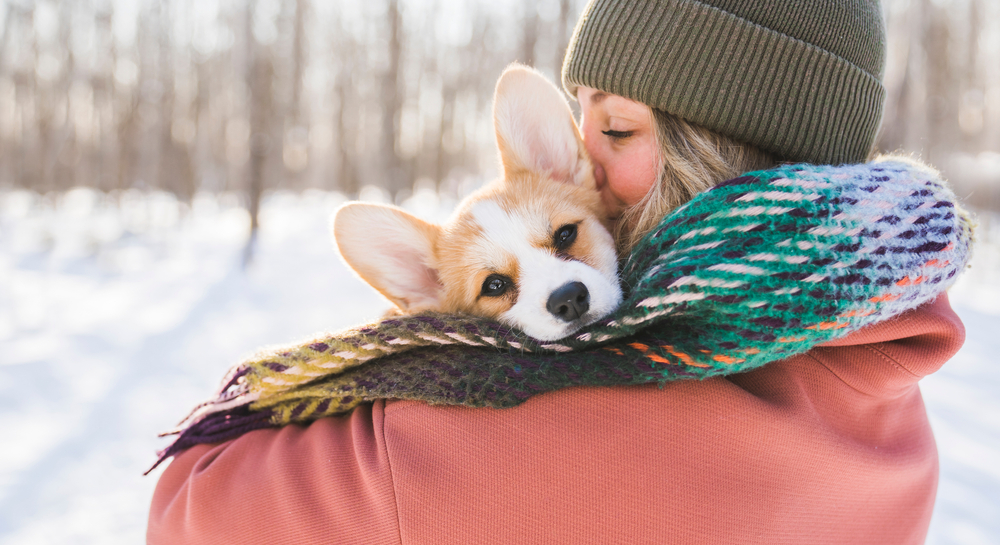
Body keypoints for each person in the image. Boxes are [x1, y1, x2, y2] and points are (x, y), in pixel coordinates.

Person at [147, 0, 968, 543]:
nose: (586, 163)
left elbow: (192, 503)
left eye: (617, 129)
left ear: (712, 147)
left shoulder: (527, 436)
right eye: (582, 123)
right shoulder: (891, 402)